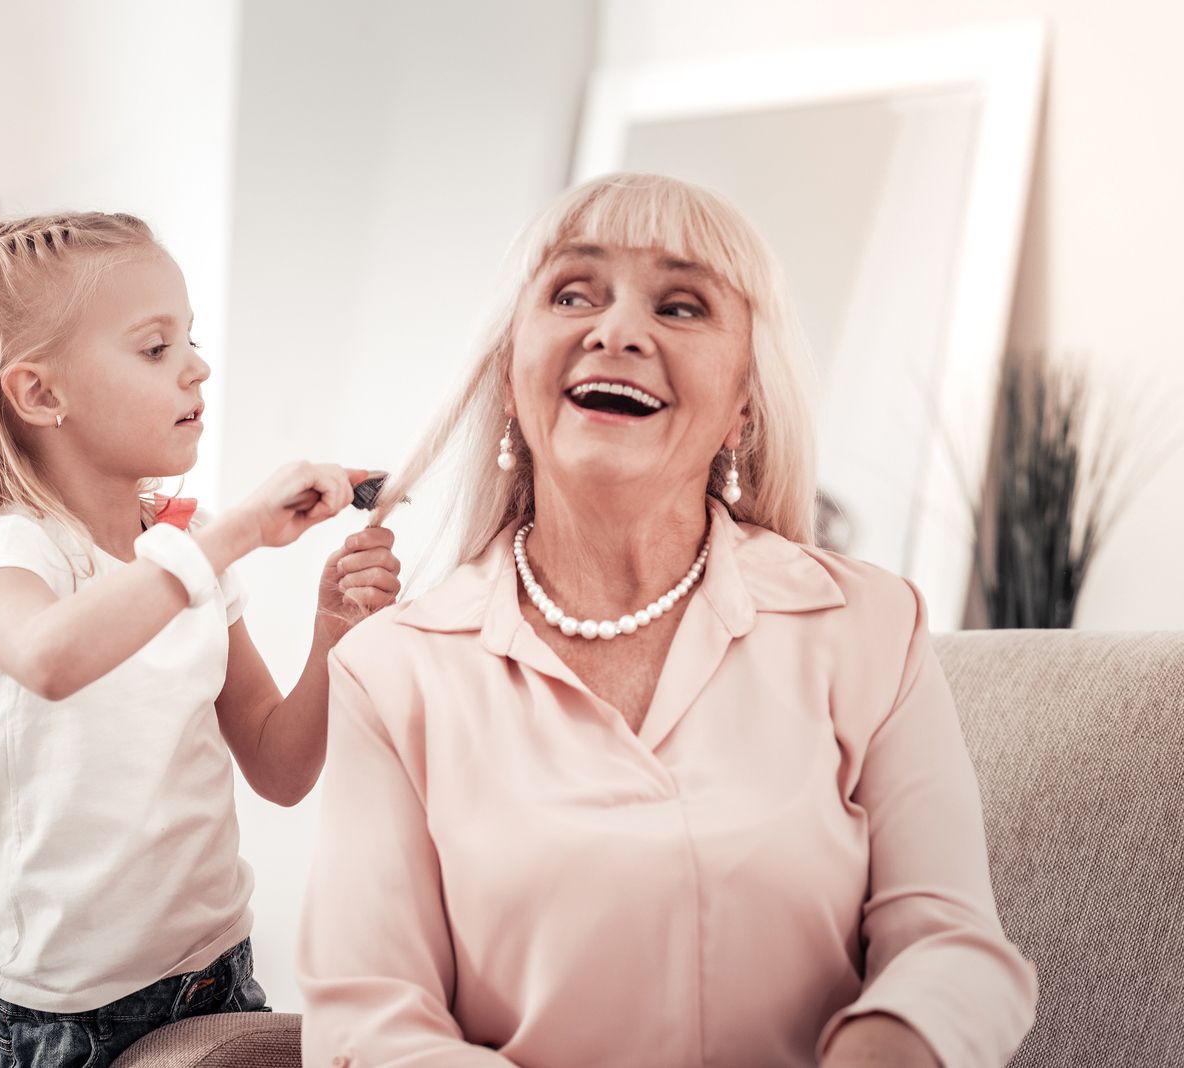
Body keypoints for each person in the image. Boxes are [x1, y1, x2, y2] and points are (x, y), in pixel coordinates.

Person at [297, 174, 1036, 1067]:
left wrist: (891, 1042)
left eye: (682, 307)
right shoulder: (392, 670)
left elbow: (953, 949)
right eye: (573, 293)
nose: (616, 332)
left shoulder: (870, 626)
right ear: (507, 376)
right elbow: (370, 1022)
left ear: (743, 407)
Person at [0, 211, 401, 1067]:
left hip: (216, 974)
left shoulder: (189, 551)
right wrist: (232, 537)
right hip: (71, 1018)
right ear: (41, 394)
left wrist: (332, 633)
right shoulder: (6, 550)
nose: (198, 366)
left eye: (189, 338)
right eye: (155, 349)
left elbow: (281, 768)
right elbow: (47, 658)